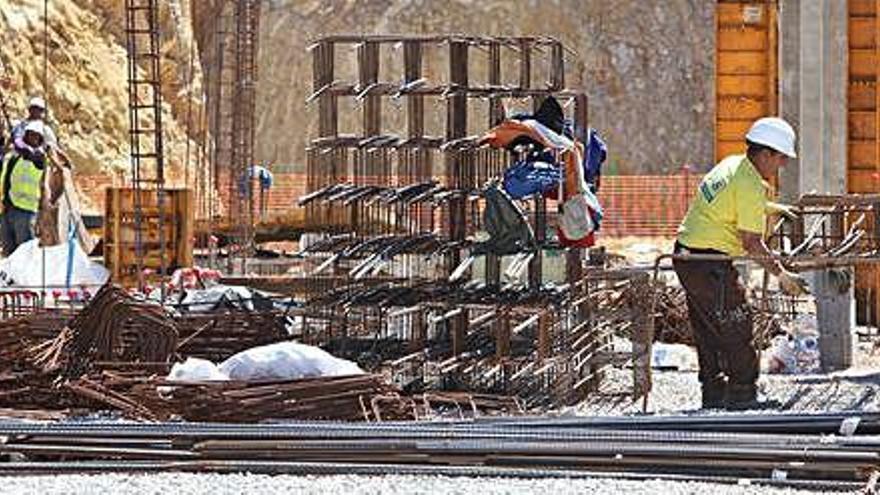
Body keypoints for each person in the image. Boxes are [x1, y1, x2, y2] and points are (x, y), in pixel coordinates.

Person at [673, 116, 810, 410]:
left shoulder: (732, 165)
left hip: (687, 256)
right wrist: (781, 274)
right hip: (708, 262)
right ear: (765, 154)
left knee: (709, 327)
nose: (782, 164)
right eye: (781, 157)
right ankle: (742, 396)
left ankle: (713, 394)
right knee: (738, 324)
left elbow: (728, 203)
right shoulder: (749, 183)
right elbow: (751, 243)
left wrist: (771, 207)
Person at [0, 120, 48, 254]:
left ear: (40, 140)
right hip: (7, 209)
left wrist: (15, 138)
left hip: (26, 212)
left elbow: (25, 150)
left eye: (36, 136)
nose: (32, 138)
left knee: (25, 253)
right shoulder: (14, 158)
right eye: (30, 134)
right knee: (8, 253)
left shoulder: (39, 157)